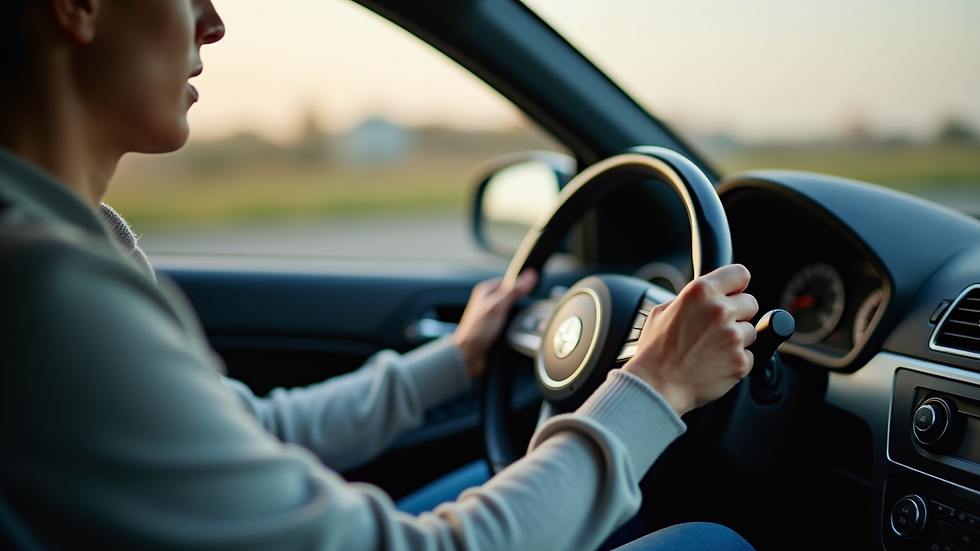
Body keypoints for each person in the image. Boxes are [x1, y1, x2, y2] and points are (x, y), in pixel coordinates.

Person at [0, 1, 759, 550]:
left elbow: (252, 431)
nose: (213, 20)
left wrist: (455, 360)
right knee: (709, 543)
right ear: (79, 7)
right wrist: (659, 385)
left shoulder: (73, 240)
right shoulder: (45, 284)